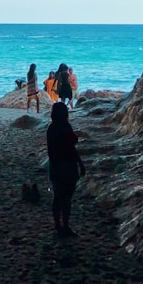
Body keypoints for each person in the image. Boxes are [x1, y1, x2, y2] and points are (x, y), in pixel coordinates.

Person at [46, 101, 87, 237]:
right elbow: (71, 147)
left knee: (58, 197)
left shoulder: (51, 128)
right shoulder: (65, 127)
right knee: (66, 199)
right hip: (68, 165)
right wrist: (80, 164)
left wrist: (55, 166)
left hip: (57, 166)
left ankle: (58, 225)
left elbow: (52, 151)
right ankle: (65, 226)